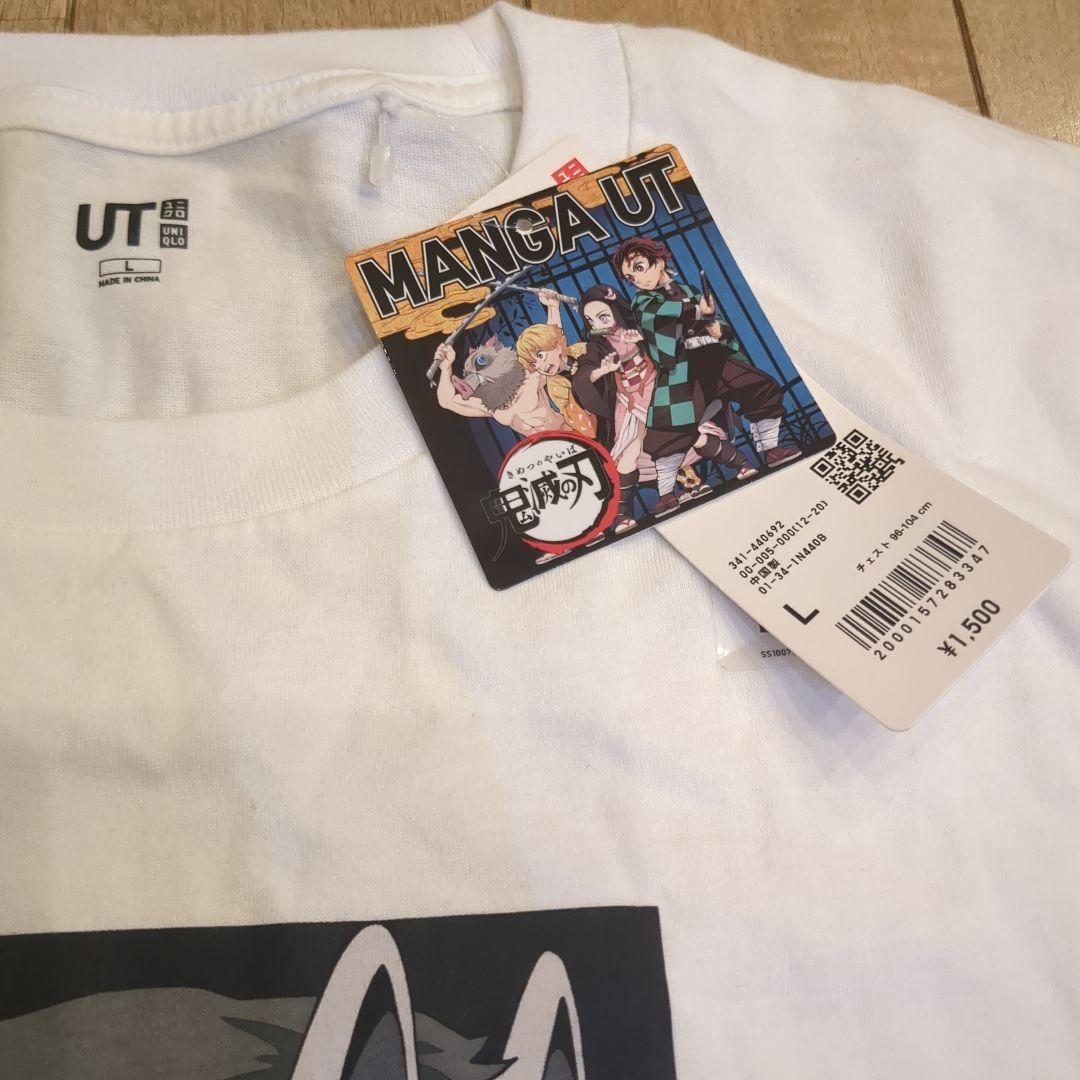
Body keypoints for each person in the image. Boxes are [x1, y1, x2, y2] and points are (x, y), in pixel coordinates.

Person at [614, 236, 799, 516]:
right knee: (671, 431)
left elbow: (718, 326)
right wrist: (699, 310)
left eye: (639, 268)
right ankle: (666, 494)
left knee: (761, 388)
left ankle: (771, 450)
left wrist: (714, 326)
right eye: (630, 277)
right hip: (683, 371)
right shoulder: (643, 302)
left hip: (715, 359)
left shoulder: (689, 290)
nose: (637, 279)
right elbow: (660, 317)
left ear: (659, 261)